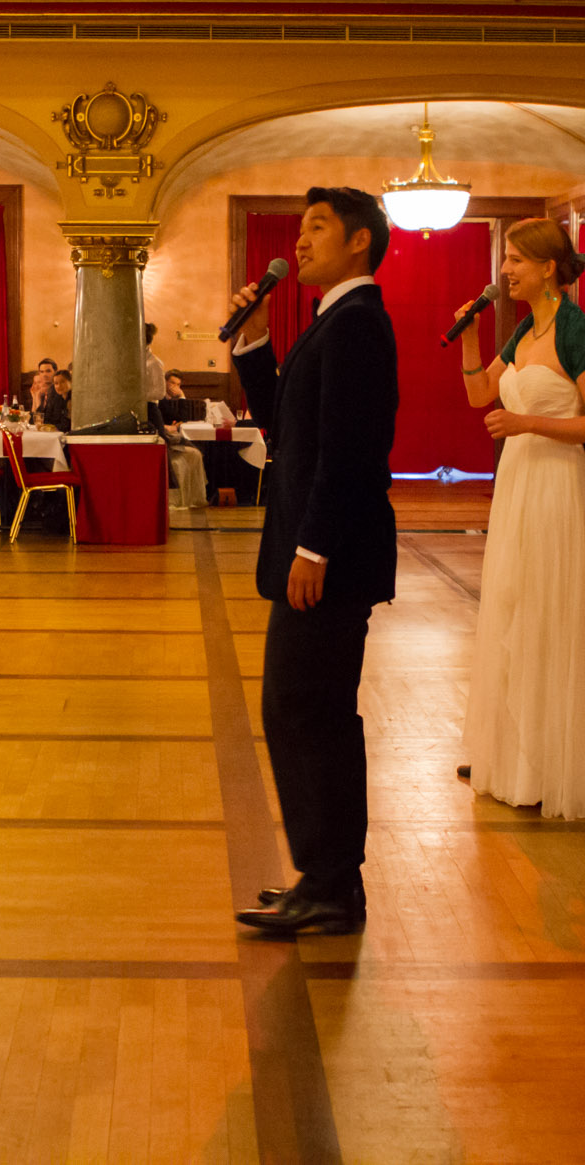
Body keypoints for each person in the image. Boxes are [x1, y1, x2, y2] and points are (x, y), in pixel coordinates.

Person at [228, 186, 398, 936]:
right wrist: (255, 340)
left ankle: (331, 883)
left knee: (312, 714)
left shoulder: (357, 323)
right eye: (300, 229)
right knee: (297, 710)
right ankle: (323, 876)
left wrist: (313, 547)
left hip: (330, 557)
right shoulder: (331, 320)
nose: (299, 241)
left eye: (317, 227)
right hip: (316, 550)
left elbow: (351, 453)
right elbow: (287, 429)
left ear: (359, 241)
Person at [455, 218, 585, 820]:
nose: (505, 271)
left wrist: (527, 424)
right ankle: (510, 753)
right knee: (513, 609)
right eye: (506, 260)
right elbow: (481, 395)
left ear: (549, 268)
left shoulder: (576, 331)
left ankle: (550, 764)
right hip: (517, 485)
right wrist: (471, 339)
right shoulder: (525, 329)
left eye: (516, 260)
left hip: (555, 487)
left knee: (548, 613)